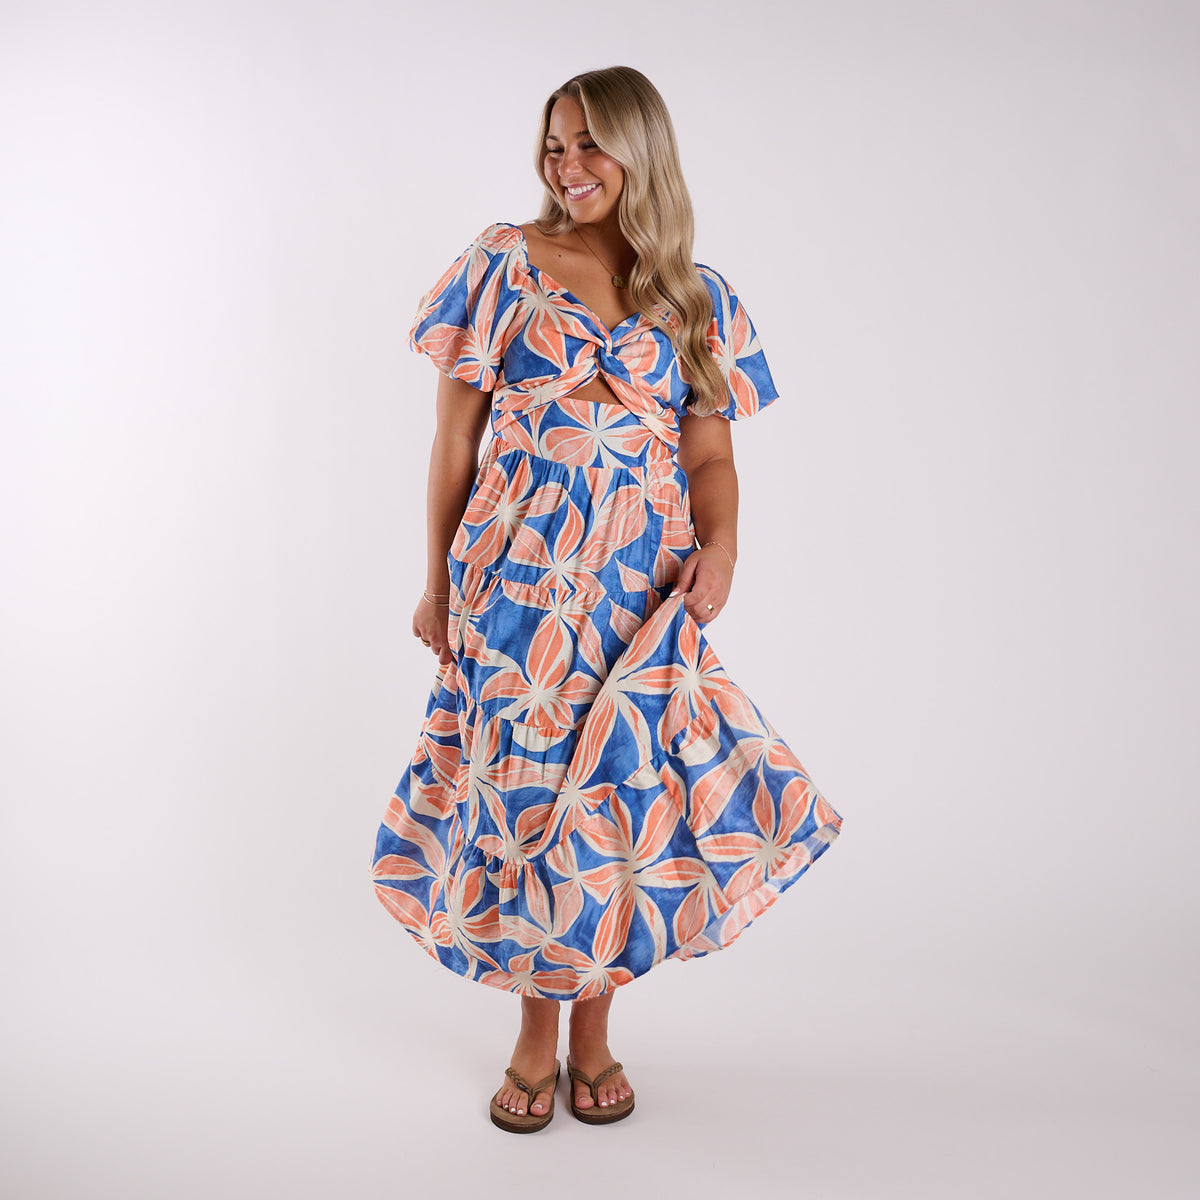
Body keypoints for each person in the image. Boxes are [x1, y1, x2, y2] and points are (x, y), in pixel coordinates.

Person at [370, 65, 844, 1133]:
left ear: (641, 149)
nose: (566, 165)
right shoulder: (502, 263)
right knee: (529, 801)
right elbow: (454, 439)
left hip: (638, 596)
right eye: (554, 146)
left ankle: (594, 1033)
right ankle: (536, 1034)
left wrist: (722, 550)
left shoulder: (696, 299)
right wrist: (437, 580)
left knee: (615, 809)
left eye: (588, 143)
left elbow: (709, 457)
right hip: (518, 588)